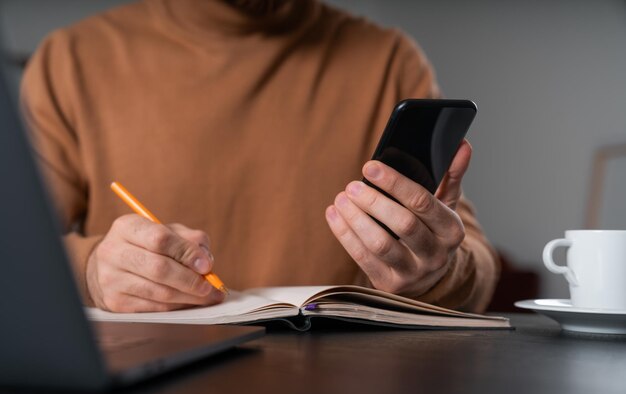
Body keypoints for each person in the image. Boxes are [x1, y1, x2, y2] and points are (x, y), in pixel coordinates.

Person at [21, 0, 499, 314]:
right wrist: (88, 272)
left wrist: (433, 273)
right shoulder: (71, 62)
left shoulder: (390, 61)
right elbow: (13, 256)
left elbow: (475, 267)